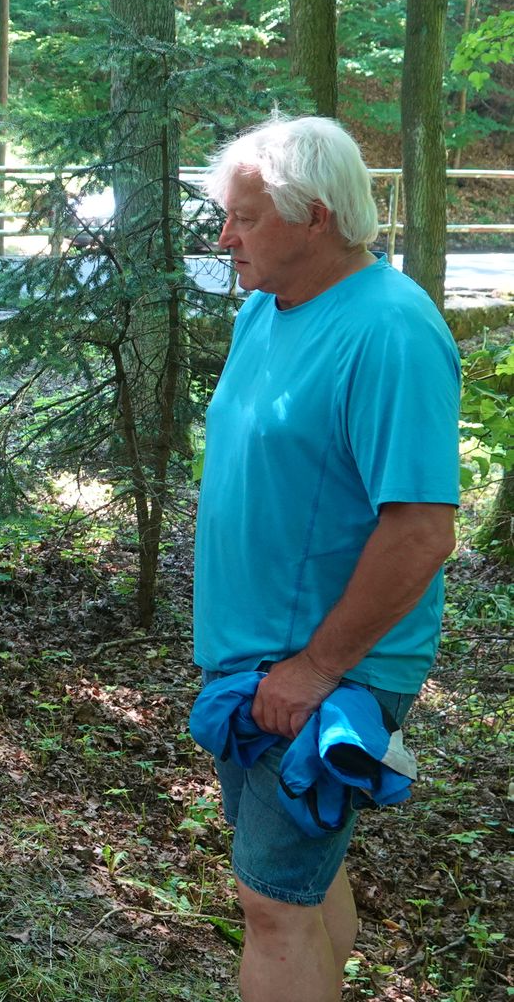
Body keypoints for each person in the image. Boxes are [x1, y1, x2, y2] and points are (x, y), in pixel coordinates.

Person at [194, 115, 460, 1002]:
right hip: (252, 663)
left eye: (245, 217)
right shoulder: (261, 313)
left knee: (270, 906)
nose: (225, 237)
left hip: (319, 674)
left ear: (317, 216)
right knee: (300, 890)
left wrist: (314, 668)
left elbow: (421, 530)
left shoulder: (389, 329)